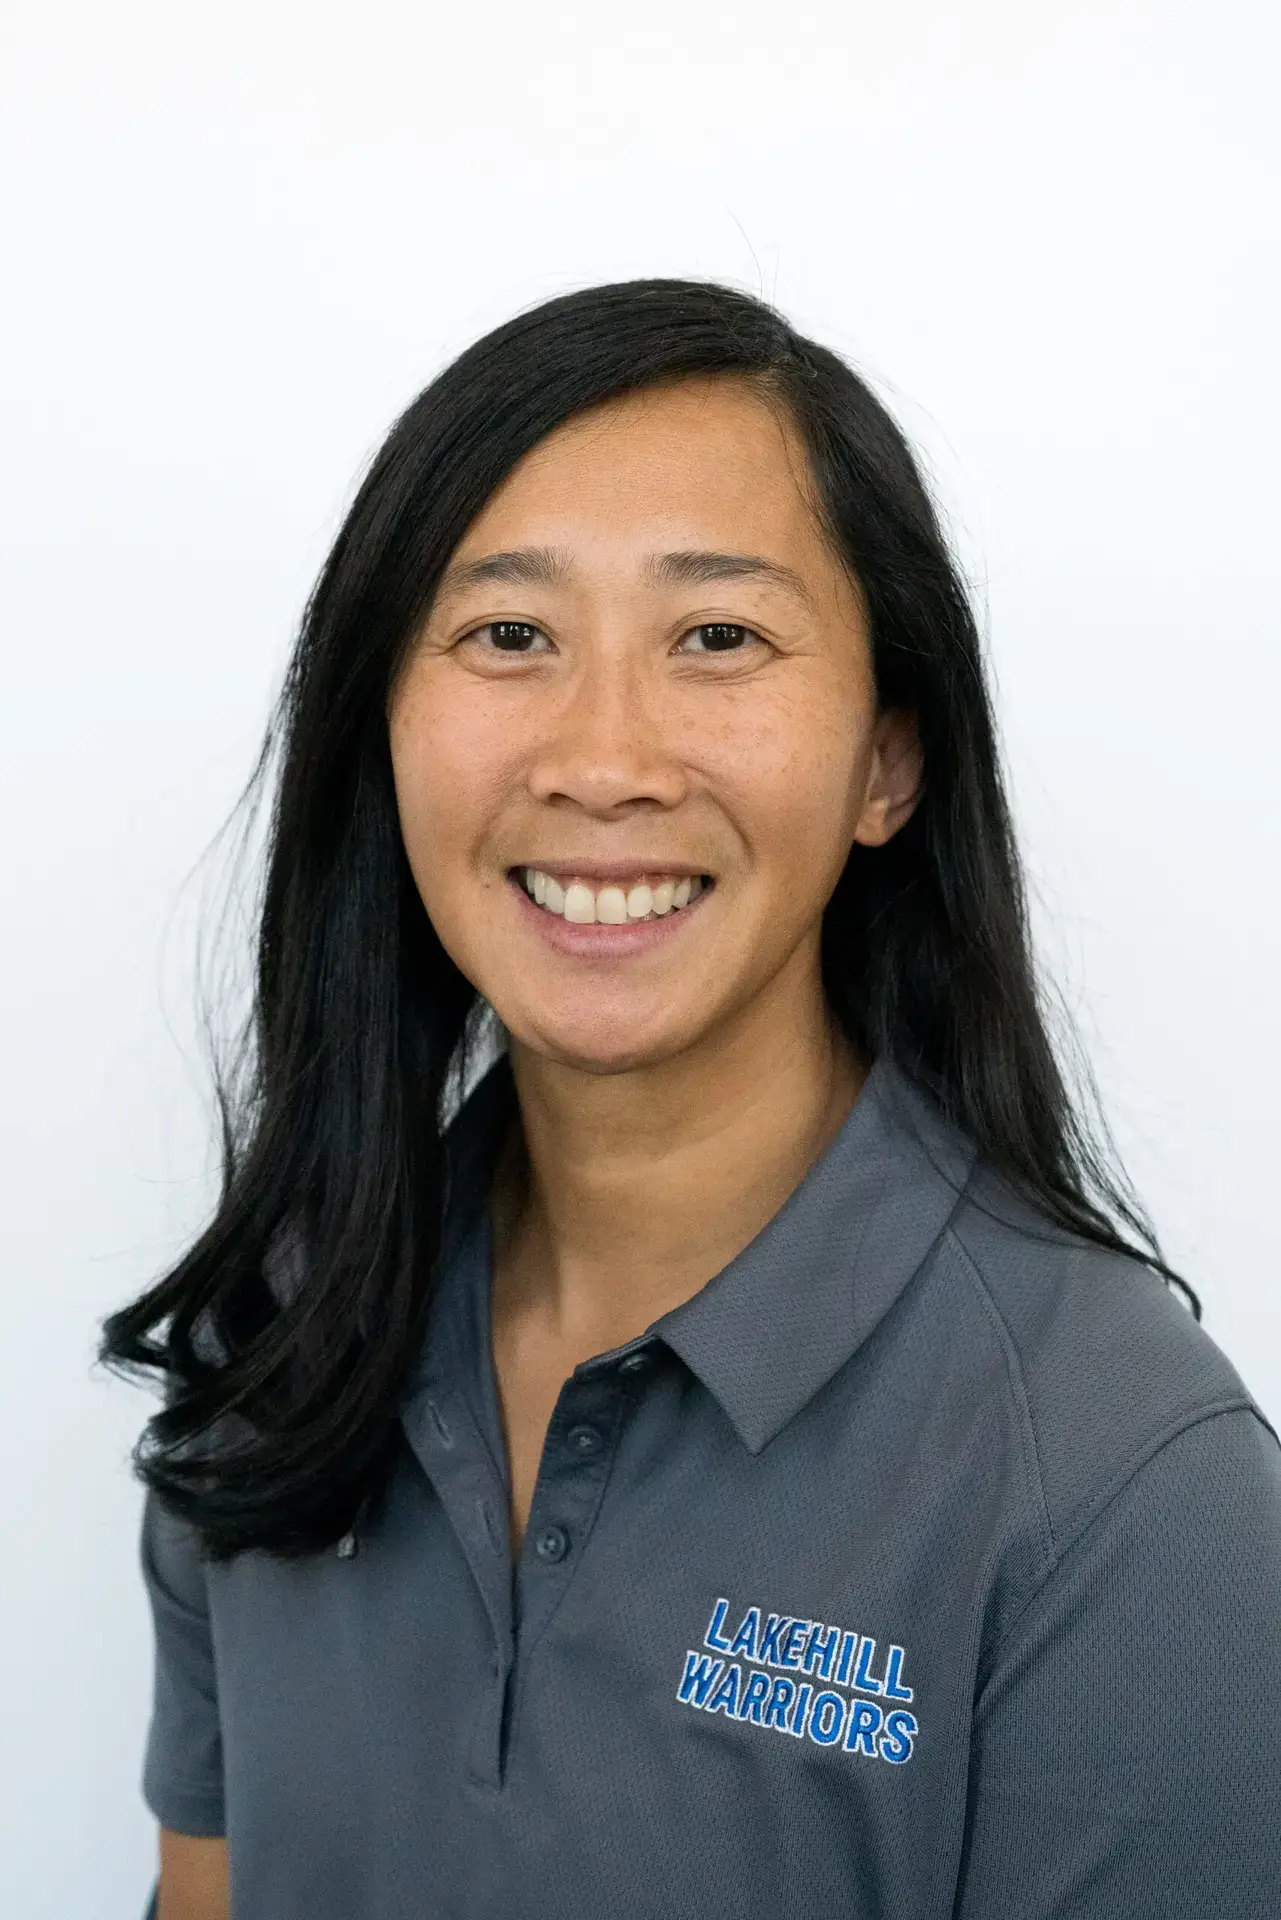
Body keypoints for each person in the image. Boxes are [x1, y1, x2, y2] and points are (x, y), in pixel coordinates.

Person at [102, 280, 1281, 1920]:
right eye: (509, 636)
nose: (603, 757)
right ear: (380, 731)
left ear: (888, 760)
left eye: (717, 637)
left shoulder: (1125, 1491)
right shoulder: (275, 1350)